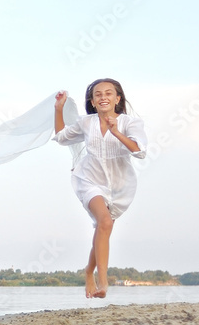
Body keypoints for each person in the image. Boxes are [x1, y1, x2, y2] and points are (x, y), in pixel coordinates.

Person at [54, 79, 146, 299]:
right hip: (89, 178)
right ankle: (103, 283)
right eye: (98, 94)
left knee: (102, 230)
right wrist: (59, 109)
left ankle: (88, 271)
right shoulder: (86, 123)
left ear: (117, 98)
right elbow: (61, 137)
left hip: (120, 185)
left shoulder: (130, 123)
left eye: (108, 93)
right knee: (104, 222)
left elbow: (139, 150)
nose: (103, 97)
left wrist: (117, 133)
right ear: (93, 102)